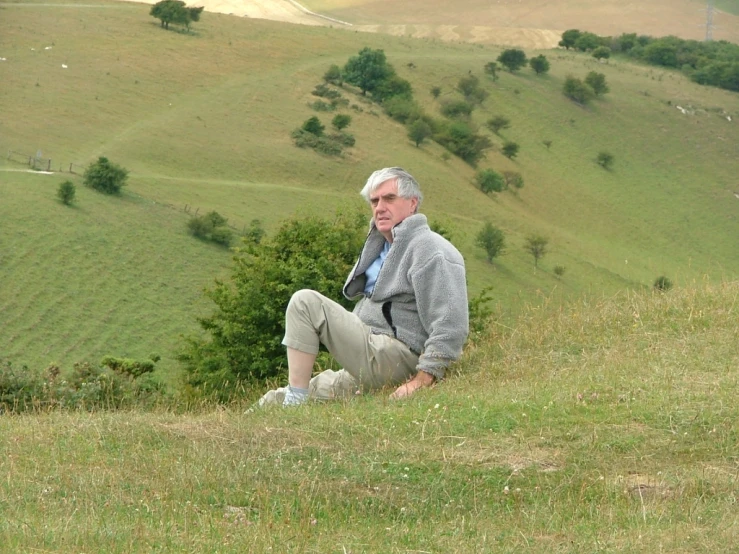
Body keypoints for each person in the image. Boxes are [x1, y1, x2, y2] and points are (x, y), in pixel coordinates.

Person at [257, 167, 468, 407]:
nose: (380, 207)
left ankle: (295, 403)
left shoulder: (430, 249)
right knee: (273, 402)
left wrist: (421, 379)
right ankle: (281, 410)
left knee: (305, 302)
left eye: (389, 198)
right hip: (370, 362)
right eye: (374, 201)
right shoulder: (382, 248)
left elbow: (451, 323)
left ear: (412, 204)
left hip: (397, 357)